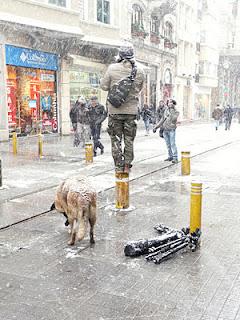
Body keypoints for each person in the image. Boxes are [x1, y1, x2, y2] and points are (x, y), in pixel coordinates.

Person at [100, 44, 145, 173]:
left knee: (116, 140)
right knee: (129, 139)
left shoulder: (112, 68)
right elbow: (139, 89)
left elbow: (104, 86)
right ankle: (127, 164)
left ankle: (118, 166)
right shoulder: (140, 71)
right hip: (131, 112)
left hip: (115, 111)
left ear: (120, 55)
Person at [153, 99, 179, 164]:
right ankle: (170, 156)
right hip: (165, 130)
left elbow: (173, 119)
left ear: (174, 104)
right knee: (168, 144)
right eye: (168, 103)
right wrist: (156, 127)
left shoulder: (176, 111)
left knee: (172, 144)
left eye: (171, 102)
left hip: (172, 130)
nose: (169, 104)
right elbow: (162, 120)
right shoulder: (166, 111)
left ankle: (175, 158)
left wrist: (171, 111)